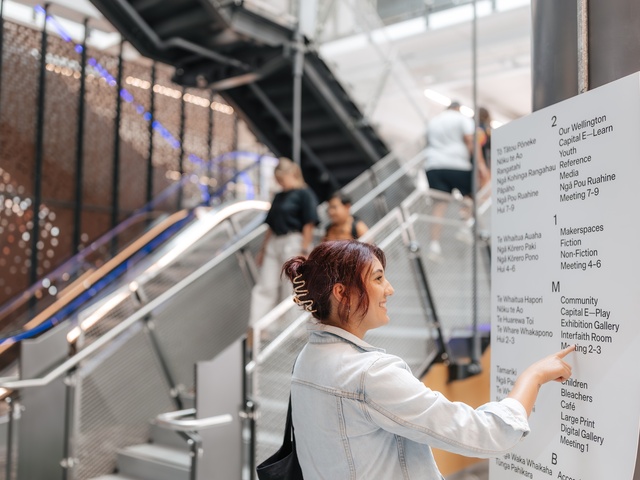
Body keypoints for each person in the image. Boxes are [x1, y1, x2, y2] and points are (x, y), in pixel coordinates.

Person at [282, 240, 575, 479]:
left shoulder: (308, 358)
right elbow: (487, 435)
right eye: (378, 277)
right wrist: (532, 377)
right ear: (342, 293)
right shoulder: (370, 374)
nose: (390, 289)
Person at [249, 158, 319, 328]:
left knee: (292, 286)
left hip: (294, 241)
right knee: (266, 285)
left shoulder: (304, 193)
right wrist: (263, 250)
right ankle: (258, 327)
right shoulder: (279, 196)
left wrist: (304, 248)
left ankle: (292, 329)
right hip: (275, 242)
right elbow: (271, 225)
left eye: (281, 178)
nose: (279, 182)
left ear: (292, 174)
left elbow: (309, 223)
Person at [424, 101, 489, 257]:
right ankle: (465, 226)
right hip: (458, 165)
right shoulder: (462, 119)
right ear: (458, 109)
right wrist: (481, 165)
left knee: (440, 204)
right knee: (471, 195)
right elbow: (471, 142)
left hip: (434, 166)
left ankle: (434, 244)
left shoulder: (433, 122)